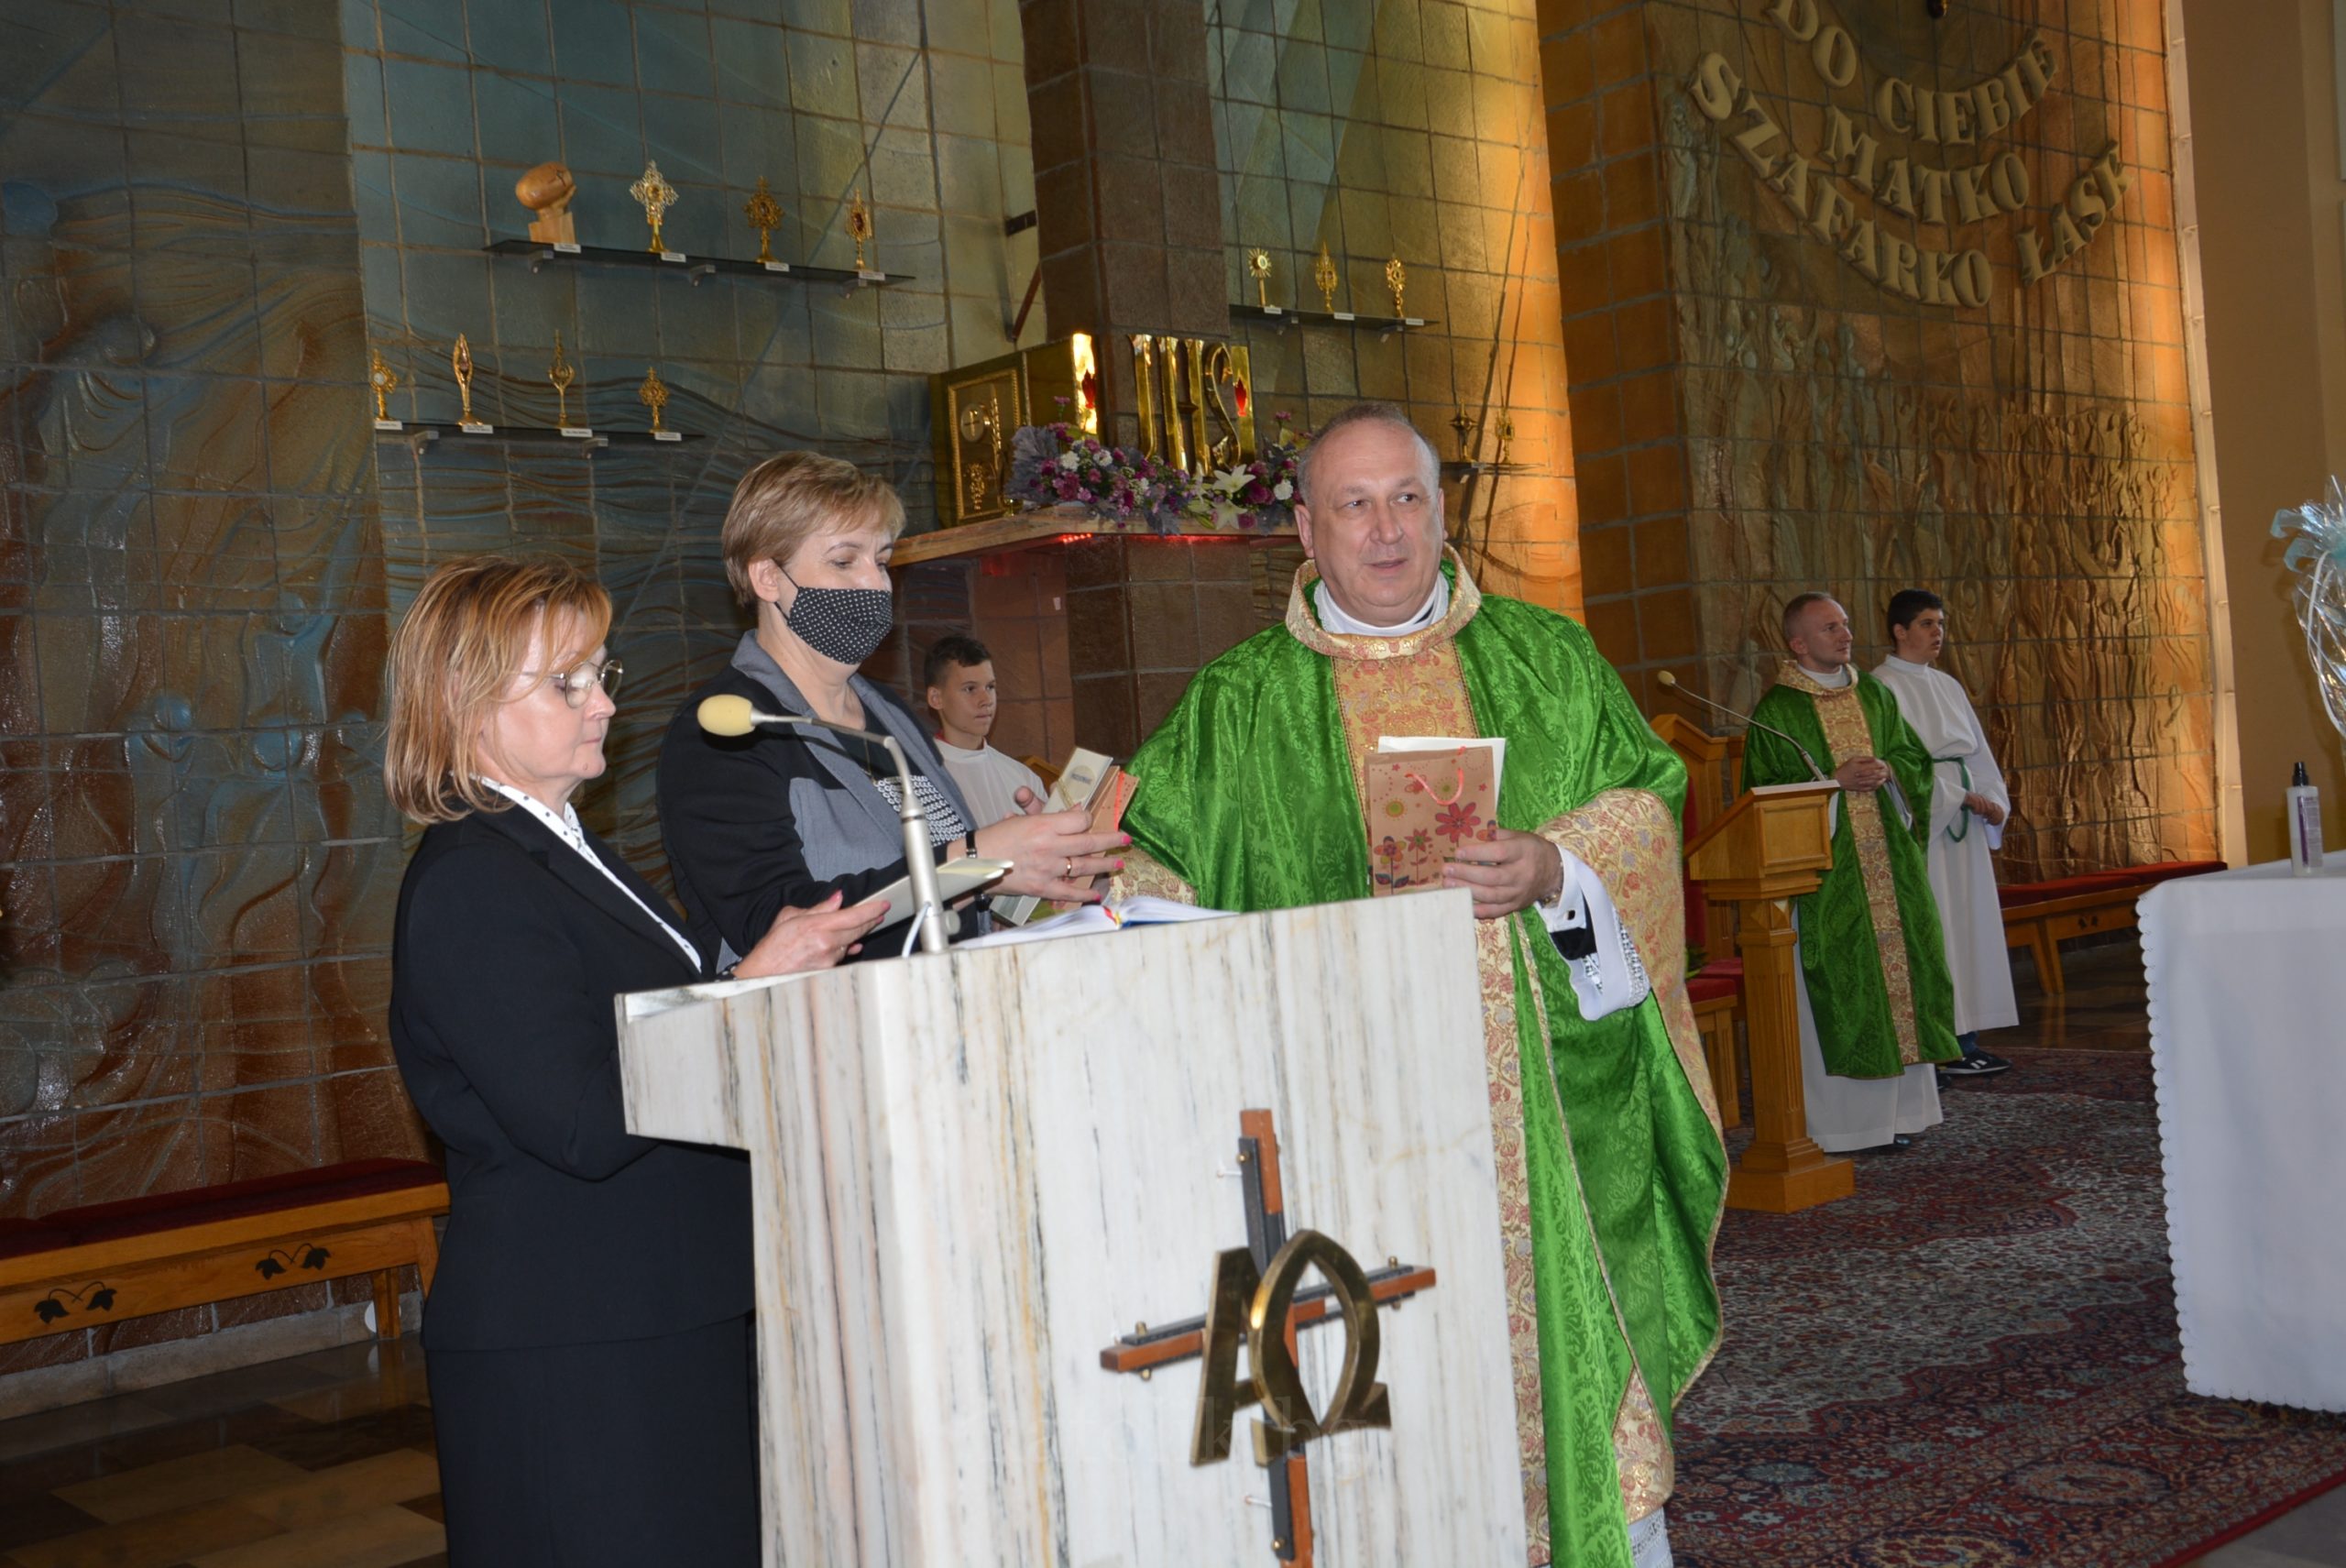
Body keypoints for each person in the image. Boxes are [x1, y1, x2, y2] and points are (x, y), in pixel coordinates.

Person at [1112, 402, 1724, 1568]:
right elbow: (1153, 862)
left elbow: (1647, 803)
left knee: (1572, 1372)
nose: (1385, 529)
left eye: (1406, 498)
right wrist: (1095, 879)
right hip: (1350, 1122)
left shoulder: (1547, 659)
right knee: (1386, 1398)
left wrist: (1555, 865)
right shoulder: (1240, 701)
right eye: (1353, 504)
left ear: (1443, 513)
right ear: (1305, 529)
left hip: (1548, 1114)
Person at [384, 554, 886, 1566]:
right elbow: (581, 1118)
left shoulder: (563, 847)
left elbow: (647, 1021)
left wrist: (756, 970)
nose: (604, 703)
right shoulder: (472, 880)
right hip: (576, 1335)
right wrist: (748, 984)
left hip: (660, 1298)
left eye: (601, 673)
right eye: (566, 682)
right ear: (466, 706)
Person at [659, 452, 1125, 966]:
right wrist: (979, 860)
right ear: (768, 577)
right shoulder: (723, 734)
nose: (876, 584)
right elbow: (774, 920)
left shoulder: (887, 712)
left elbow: (945, 904)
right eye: (844, 561)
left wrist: (1038, 875)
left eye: (881, 561)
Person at [1742, 593, 1962, 1154]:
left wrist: (1889, 769)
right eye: (1829, 628)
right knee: (1843, 985)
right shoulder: (1778, 712)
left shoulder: (1874, 694)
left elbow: (1912, 759)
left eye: (1845, 624)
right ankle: (1848, 1127)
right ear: (1798, 643)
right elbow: (1762, 798)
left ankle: (1905, 1114)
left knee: (1907, 973)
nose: (1845, 635)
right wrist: (1832, 784)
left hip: (1891, 864)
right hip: (1829, 880)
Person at [1873, 590, 2019, 1079]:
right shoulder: (1881, 688)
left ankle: (1966, 1039)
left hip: (1964, 820)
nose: (1937, 632)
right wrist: (1957, 797)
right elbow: (1897, 765)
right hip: (1928, 825)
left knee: (1967, 928)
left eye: (1941, 623)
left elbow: (1977, 754)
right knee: (1936, 930)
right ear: (1899, 631)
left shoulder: (1947, 684)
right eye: (1927, 623)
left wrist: (1993, 801)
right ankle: (1937, 1044)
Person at [924, 630, 1046, 828]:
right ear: (936, 698)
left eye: (990, 687)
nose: (986, 700)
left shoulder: (1024, 778)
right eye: (970, 689)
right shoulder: (922, 777)